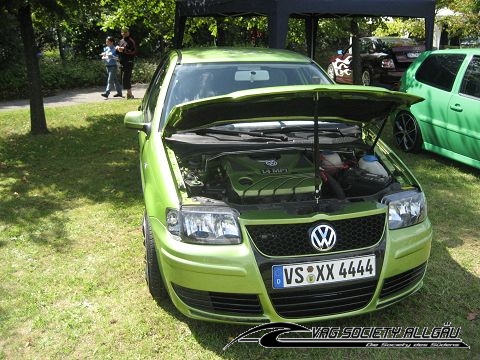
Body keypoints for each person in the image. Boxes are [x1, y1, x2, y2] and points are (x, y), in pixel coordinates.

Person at [116, 28, 137, 99]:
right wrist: (117, 49)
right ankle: (129, 94)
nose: (124, 33)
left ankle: (130, 94)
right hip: (122, 62)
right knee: (123, 78)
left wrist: (124, 50)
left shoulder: (131, 41)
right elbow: (118, 51)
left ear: (129, 32)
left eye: (125, 32)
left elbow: (133, 51)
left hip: (129, 62)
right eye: (122, 32)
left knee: (126, 78)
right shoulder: (121, 41)